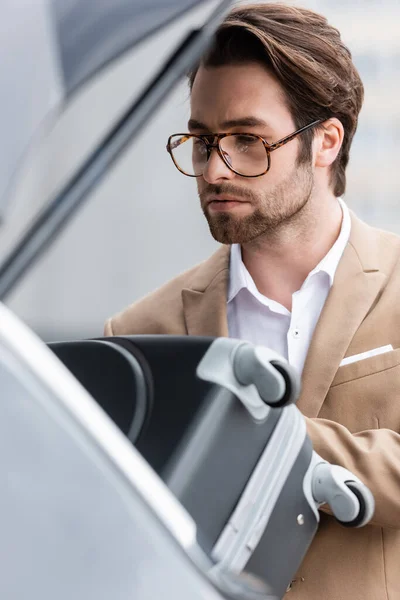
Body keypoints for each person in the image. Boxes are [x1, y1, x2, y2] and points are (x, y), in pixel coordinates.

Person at [104, 3, 400, 598]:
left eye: (247, 140)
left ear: (325, 142)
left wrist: (252, 432)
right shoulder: (141, 331)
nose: (216, 169)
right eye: (202, 141)